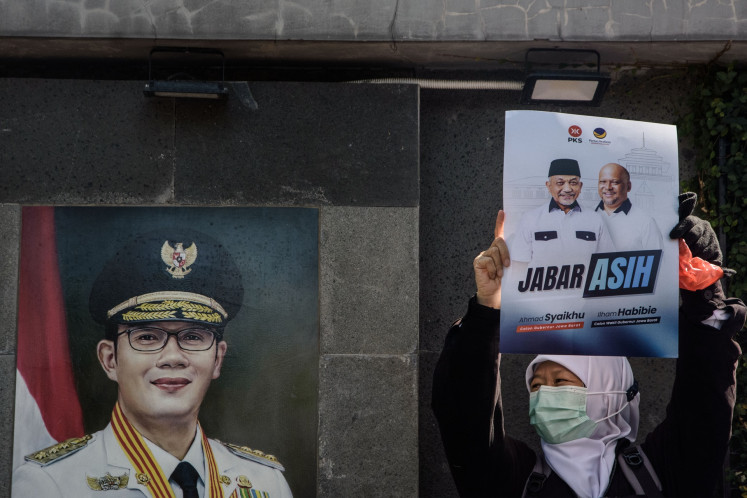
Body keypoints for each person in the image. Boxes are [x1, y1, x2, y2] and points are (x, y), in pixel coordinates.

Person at [432, 195, 746, 497]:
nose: (546, 395)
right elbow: (465, 416)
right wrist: (487, 308)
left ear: (611, 390)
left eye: (562, 380)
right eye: (538, 384)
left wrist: (703, 288)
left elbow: (706, 394)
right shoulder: (513, 481)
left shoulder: (665, 471)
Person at [12, 229, 293, 498]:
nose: (173, 357)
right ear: (110, 360)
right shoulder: (51, 485)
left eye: (193, 336)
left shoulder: (266, 483)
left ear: (218, 359)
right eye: (147, 336)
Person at [511, 158, 615, 269]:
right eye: (560, 183)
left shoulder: (595, 219)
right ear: (549, 186)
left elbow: (608, 262)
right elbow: (519, 266)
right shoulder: (530, 219)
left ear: (580, 187)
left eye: (573, 183)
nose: (567, 189)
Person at [595, 163, 663, 250]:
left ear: (628, 186)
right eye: (603, 182)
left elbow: (657, 261)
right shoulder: (587, 215)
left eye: (615, 182)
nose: (608, 187)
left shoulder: (645, 222)